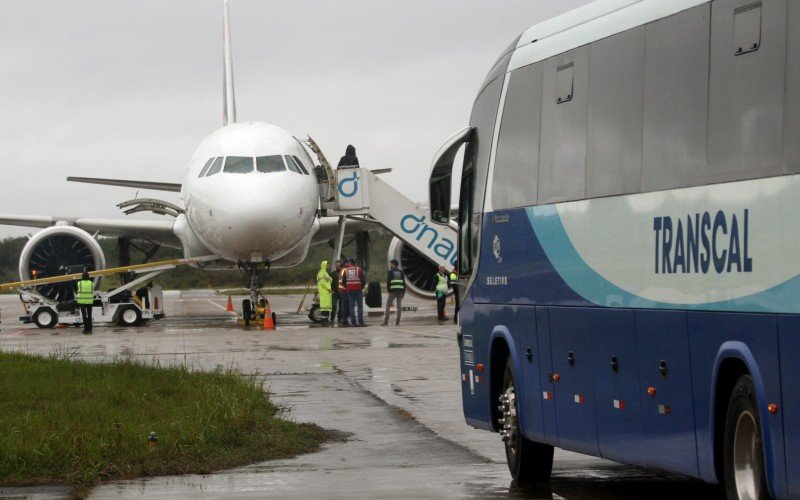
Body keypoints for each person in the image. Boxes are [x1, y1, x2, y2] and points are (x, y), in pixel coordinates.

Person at [342, 257, 366, 327]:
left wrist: (347, 287)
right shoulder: (359, 269)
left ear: (350, 263)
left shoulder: (346, 270)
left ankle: (353, 323)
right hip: (358, 289)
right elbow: (363, 279)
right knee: (360, 306)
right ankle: (361, 322)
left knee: (351, 306)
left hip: (349, 290)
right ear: (355, 263)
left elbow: (343, 281)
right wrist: (361, 287)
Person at [381, 259, 406, 326]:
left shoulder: (390, 272)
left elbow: (388, 282)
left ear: (393, 264)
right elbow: (404, 283)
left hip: (393, 291)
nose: (390, 265)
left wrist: (389, 291)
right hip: (400, 291)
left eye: (391, 264)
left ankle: (386, 322)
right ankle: (397, 323)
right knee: (399, 307)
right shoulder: (401, 272)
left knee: (388, 306)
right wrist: (403, 292)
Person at [317, 260, 333, 324]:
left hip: (327, 292)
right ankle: (323, 320)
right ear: (324, 265)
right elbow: (322, 282)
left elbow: (330, 280)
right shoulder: (321, 273)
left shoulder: (326, 272)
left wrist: (329, 279)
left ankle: (326, 319)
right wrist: (329, 288)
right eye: (327, 264)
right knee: (324, 307)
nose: (328, 266)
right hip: (324, 292)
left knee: (327, 306)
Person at [338, 260, 350, 326]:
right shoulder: (345, 270)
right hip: (344, 290)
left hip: (341, 290)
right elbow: (344, 281)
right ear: (345, 264)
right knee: (344, 306)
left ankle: (342, 320)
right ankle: (344, 321)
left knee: (342, 306)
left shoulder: (342, 270)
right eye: (348, 263)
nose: (349, 264)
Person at [330, 260, 342, 326]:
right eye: (336, 265)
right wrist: (331, 290)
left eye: (339, 265)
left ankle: (339, 320)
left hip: (342, 292)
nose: (338, 266)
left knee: (341, 307)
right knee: (334, 306)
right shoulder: (332, 273)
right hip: (335, 293)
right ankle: (332, 319)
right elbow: (329, 283)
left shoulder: (343, 273)